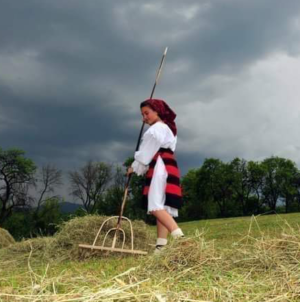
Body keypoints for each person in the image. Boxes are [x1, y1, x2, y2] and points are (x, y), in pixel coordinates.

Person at [127, 98, 184, 253]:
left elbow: (145, 155)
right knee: (162, 207)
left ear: (157, 111)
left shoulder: (155, 130)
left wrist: (133, 167)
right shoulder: (167, 128)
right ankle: (160, 249)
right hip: (168, 166)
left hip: (160, 166)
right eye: (142, 114)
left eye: (147, 113)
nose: (144, 117)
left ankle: (181, 240)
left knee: (155, 206)